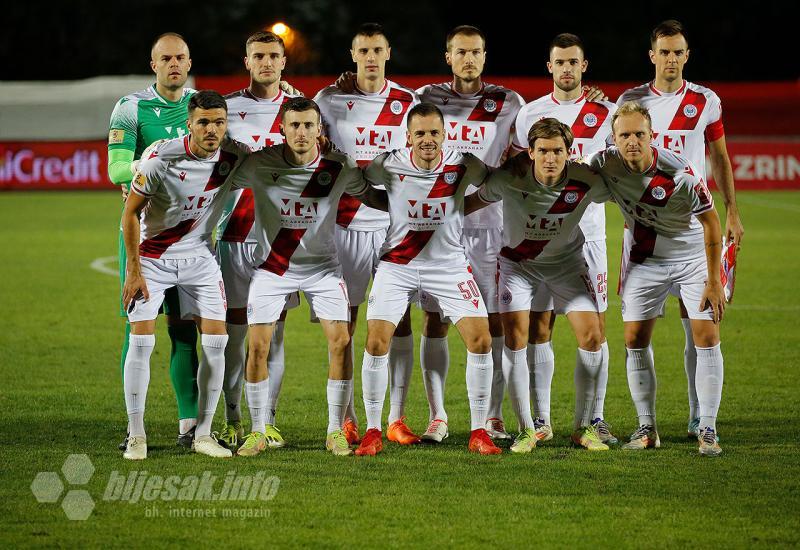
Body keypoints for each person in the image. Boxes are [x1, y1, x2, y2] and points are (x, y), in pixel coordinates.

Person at [227, 97, 384, 457]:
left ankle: (335, 431)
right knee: (257, 346)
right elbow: (217, 179)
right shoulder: (260, 164)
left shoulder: (339, 166)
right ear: (281, 129)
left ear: (319, 130)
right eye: (294, 125)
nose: (301, 132)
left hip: (323, 269)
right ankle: (257, 431)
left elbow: (374, 198)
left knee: (341, 341)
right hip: (272, 268)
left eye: (308, 125)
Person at [616, 20, 742, 438]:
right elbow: (613, 153)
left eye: (678, 52)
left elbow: (720, 158)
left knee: (701, 327)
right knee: (636, 334)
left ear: (687, 55)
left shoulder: (705, 100)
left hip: (696, 229)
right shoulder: (630, 101)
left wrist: (733, 211)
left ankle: (699, 419)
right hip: (645, 237)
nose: (671, 59)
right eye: (664, 52)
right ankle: (647, 426)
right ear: (652, 55)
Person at [355, 103, 501, 456]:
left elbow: (492, 184)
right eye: (419, 133)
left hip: (448, 265)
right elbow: (362, 186)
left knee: (481, 341)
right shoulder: (388, 163)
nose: (427, 140)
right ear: (408, 136)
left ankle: (479, 431)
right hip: (397, 264)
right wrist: (390, 205)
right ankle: (374, 430)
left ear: (445, 134)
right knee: (376, 342)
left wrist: (466, 206)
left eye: (434, 132)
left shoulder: (464, 163)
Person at [588, 101, 725, 456]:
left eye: (639, 134)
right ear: (613, 138)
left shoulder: (681, 173)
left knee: (706, 335)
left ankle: (707, 427)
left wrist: (714, 280)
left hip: (692, 257)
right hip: (644, 260)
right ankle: (646, 426)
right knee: (634, 339)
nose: (632, 141)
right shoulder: (604, 163)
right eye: (624, 135)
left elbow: (712, 224)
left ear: (653, 136)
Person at [468, 118, 612, 452]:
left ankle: (583, 427)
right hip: (519, 267)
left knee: (592, 337)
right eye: (543, 150)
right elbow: (469, 203)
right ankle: (526, 429)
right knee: (516, 339)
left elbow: (627, 190)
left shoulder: (586, 180)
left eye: (557, 151)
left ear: (569, 152)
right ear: (530, 152)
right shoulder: (509, 180)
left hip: (567, 266)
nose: (550, 158)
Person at [120, 90, 250, 459]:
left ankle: (204, 434)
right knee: (142, 343)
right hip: (153, 258)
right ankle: (137, 434)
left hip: (200, 258)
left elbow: (282, 158)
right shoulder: (160, 158)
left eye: (218, 122)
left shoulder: (235, 156)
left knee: (216, 343)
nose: (212, 130)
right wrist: (133, 271)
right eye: (204, 122)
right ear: (189, 124)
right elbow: (130, 214)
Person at [414, 25, 525, 443]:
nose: (469, 59)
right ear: (448, 56)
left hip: (491, 229)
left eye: (476, 52)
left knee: (493, 321)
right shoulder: (426, 99)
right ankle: (438, 415)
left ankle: (492, 415)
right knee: (435, 319)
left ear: (485, 55)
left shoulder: (509, 103)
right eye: (461, 52)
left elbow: (529, 149)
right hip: (438, 226)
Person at [314, 23, 421, 446]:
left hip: (395, 227)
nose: (371, 57)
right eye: (363, 50)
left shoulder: (408, 102)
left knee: (399, 320)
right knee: (348, 322)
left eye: (378, 49)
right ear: (353, 54)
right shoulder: (328, 99)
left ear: (388, 52)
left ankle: (396, 417)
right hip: (344, 225)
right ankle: (348, 417)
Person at [511, 33, 617, 445]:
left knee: (594, 329)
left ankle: (595, 418)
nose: (567, 69)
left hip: (588, 233)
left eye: (574, 62)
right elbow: (519, 169)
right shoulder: (530, 114)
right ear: (549, 66)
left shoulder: (605, 111)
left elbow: (617, 167)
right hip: (541, 238)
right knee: (541, 326)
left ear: (584, 66)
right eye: (560, 62)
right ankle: (540, 419)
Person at [107, 32, 200, 450]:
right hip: (143, 236)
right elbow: (116, 169)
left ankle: (189, 424)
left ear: (189, 62)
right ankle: (135, 429)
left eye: (180, 57)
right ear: (153, 64)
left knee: (185, 331)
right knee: (138, 331)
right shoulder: (131, 108)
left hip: (193, 237)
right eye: (166, 58)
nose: (174, 64)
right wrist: (155, 161)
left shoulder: (202, 106)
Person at [215, 30, 300, 450]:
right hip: (234, 235)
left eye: (274, 56)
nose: (266, 63)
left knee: (274, 334)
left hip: (281, 240)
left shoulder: (301, 110)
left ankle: (266, 420)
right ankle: (231, 418)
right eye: (258, 56)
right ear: (246, 61)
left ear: (284, 62)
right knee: (234, 334)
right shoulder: (226, 109)